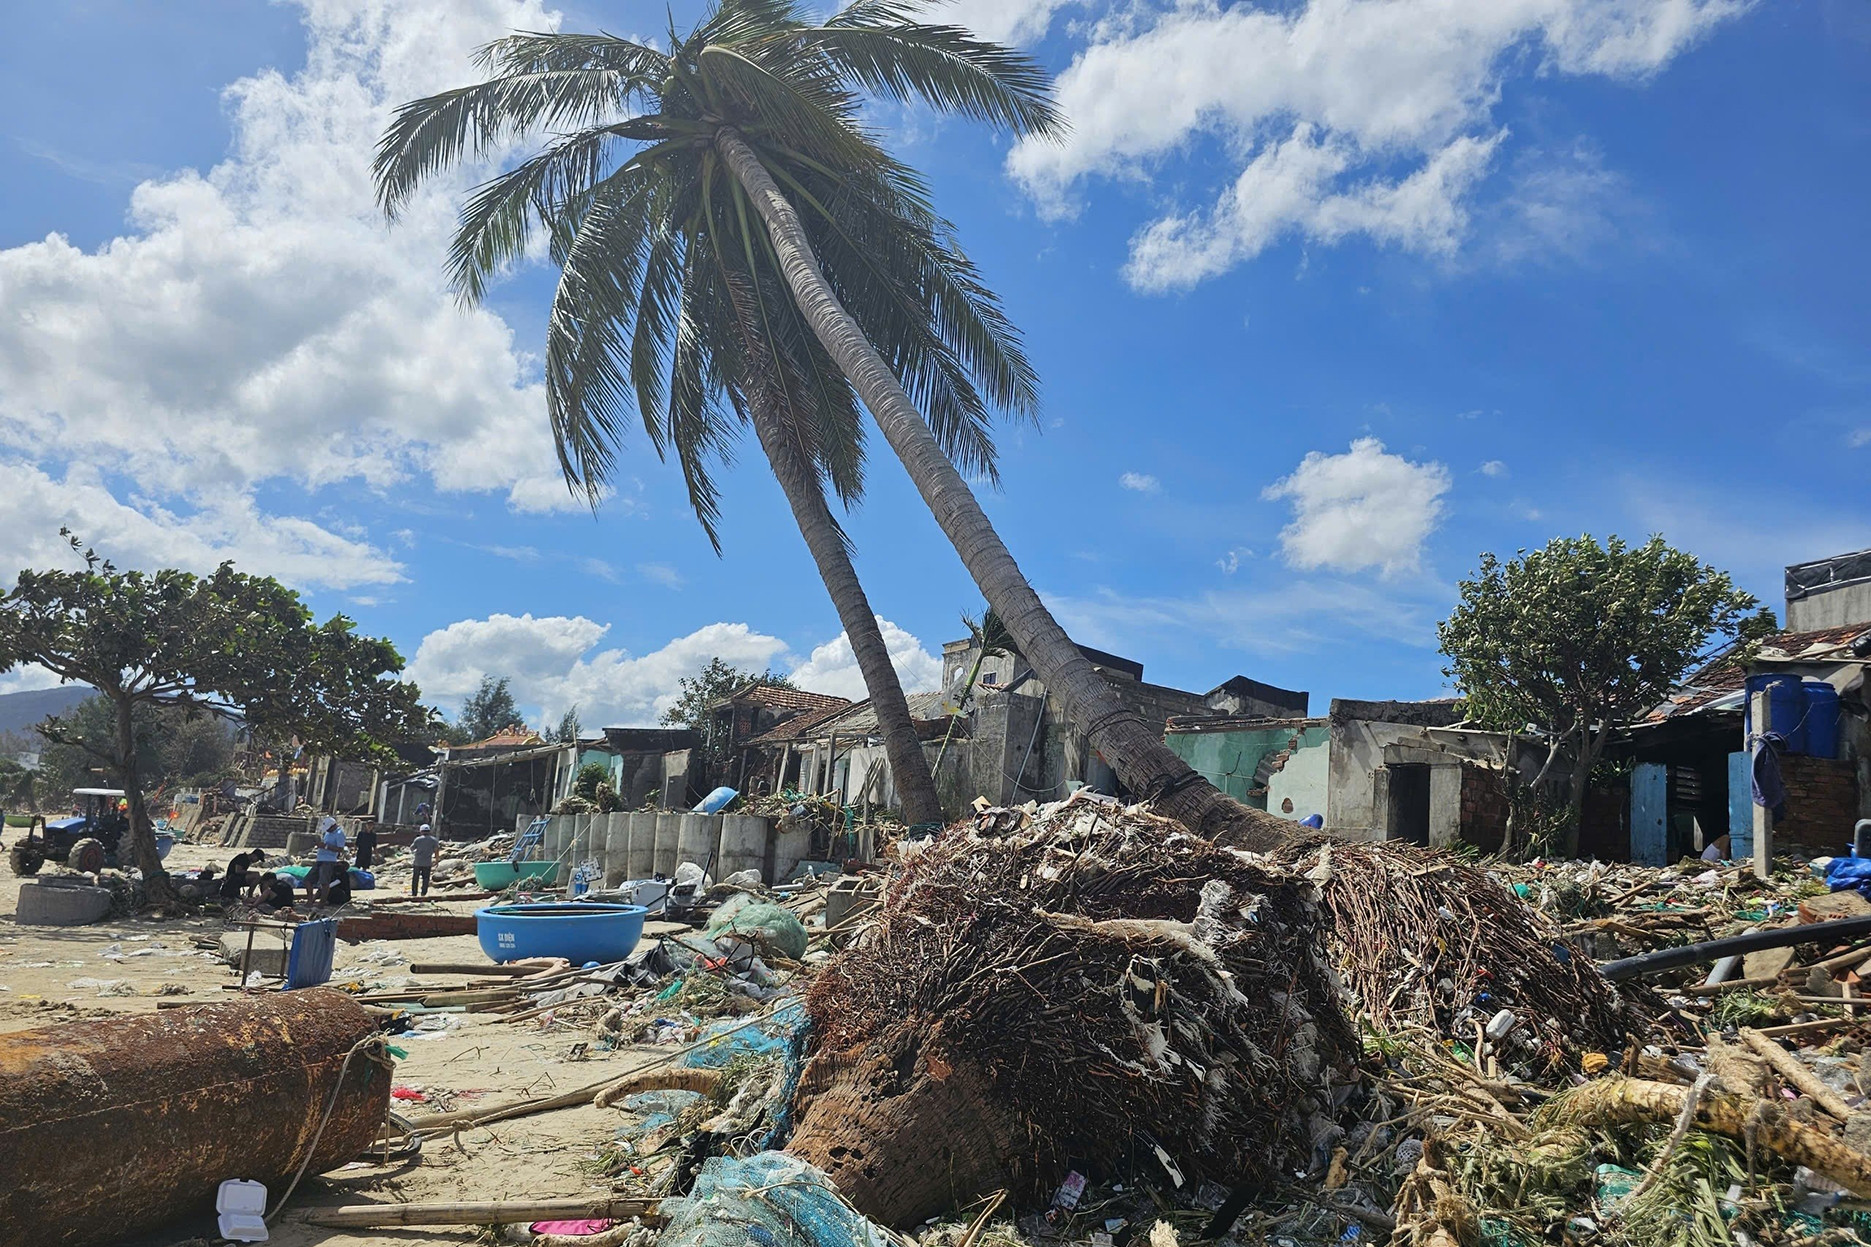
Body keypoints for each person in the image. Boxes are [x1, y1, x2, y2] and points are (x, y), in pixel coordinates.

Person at [313, 814, 348, 905]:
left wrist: (326, 846)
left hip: (328, 860)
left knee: (324, 883)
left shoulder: (339, 834)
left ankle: (321, 903)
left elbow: (340, 849)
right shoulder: (328, 833)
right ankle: (311, 900)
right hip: (321, 858)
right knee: (310, 880)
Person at [410, 823, 439, 897]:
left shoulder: (418, 839)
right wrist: (436, 860)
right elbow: (436, 851)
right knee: (426, 878)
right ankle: (423, 893)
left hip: (417, 862)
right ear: (429, 831)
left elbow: (412, 848)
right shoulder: (434, 840)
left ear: (421, 831)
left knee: (415, 878)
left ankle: (414, 893)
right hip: (427, 862)